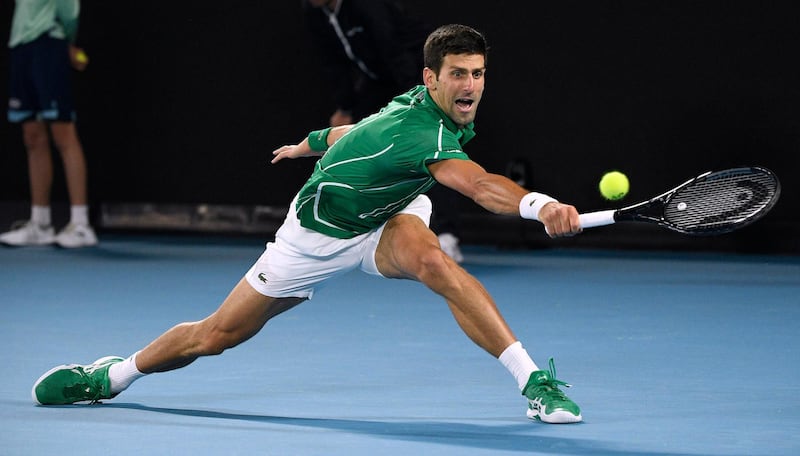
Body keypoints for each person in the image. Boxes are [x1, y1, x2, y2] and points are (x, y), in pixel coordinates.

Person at [31, 24, 584, 423]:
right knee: (216, 336)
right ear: (430, 78)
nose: (471, 86)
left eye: (479, 74)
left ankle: (534, 380)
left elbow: (356, 132)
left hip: (389, 211)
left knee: (433, 261)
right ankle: (112, 375)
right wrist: (540, 206)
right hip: (318, 237)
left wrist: (311, 142)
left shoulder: (416, 106)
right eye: (459, 74)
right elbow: (481, 185)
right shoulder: (426, 134)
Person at [303, 0, 465, 262]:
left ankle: (447, 237)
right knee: (355, 142)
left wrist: (417, 105)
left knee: (427, 152)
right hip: (380, 82)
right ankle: (352, 231)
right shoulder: (315, 14)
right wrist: (345, 106)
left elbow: (395, 52)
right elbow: (333, 63)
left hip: (417, 76)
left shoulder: (367, 6)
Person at [1, 0, 98, 248]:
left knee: (63, 133)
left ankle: (81, 224)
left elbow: (70, 10)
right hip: (21, 44)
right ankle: (41, 224)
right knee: (32, 136)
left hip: (49, 42)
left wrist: (68, 43)